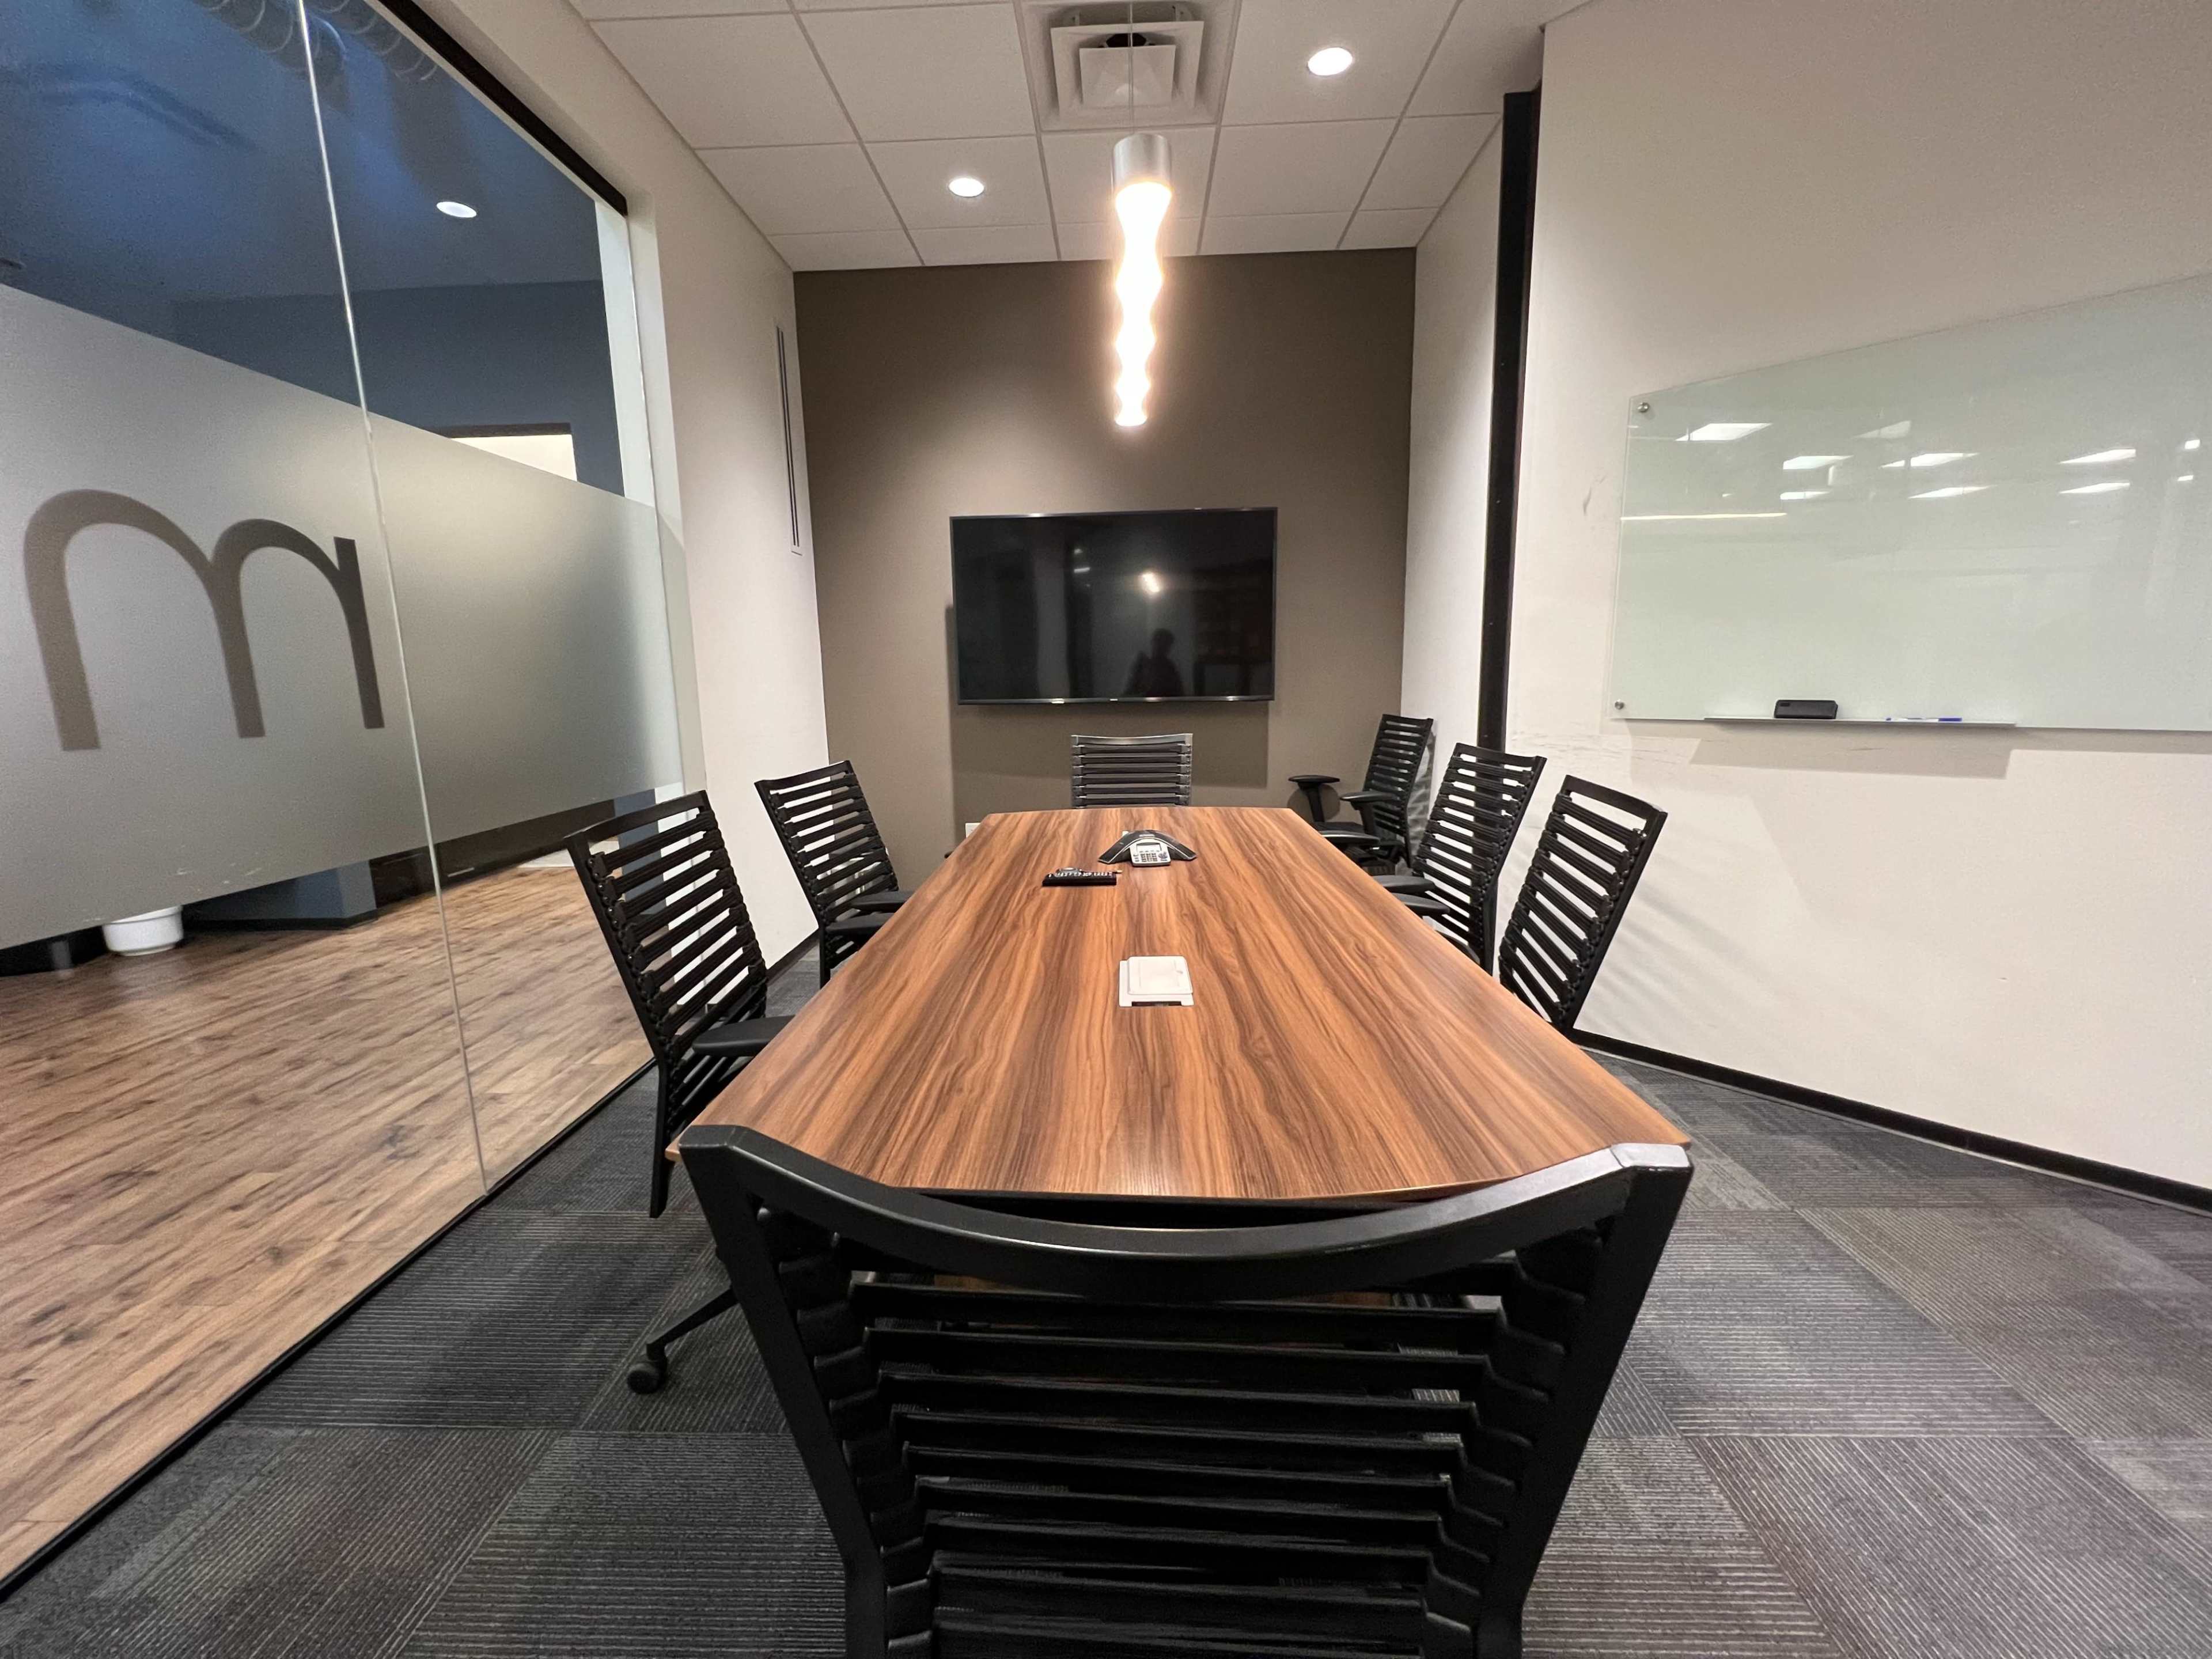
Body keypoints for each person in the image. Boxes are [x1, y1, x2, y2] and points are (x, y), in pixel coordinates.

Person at [1123, 627, 1184, 697]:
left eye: (1166, 645)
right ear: (1153, 643)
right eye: (1160, 643)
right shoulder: (1141, 663)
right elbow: (1126, 694)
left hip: (1166, 707)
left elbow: (1180, 695)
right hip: (1140, 706)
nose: (1162, 648)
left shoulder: (1170, 668)